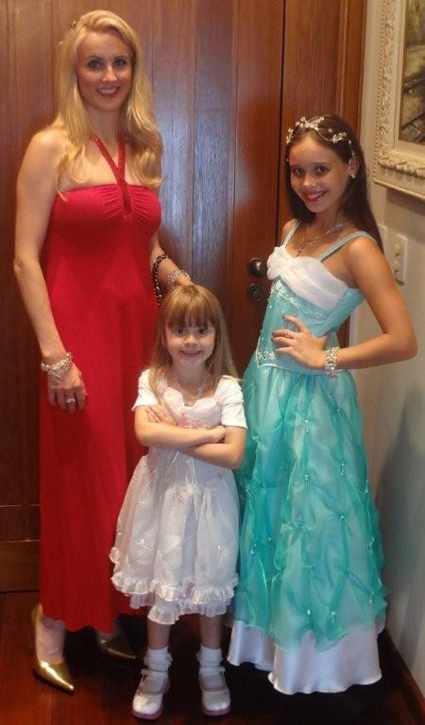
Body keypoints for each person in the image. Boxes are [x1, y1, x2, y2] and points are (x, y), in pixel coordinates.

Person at [14, 10, 190, 693]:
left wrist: (173, 274)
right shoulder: (50, 147)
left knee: (128, 479)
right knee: (76, 481)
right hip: (76, 340)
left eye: (120, 62)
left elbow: (141, 245)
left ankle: (108, 611)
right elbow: (25, 260)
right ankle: (54, 621)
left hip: (137, 338)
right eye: (95, 63)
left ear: (133, 69)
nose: (109, 75)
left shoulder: (143, 146)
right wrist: (54, 355)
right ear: (75, 71)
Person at [228, 114, 417, 695]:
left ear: (351, 167)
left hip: (311, 407)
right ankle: (260, 643)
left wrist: (325, 356)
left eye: (321, 170)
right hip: (264, 391)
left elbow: (403, 340)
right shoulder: (295, 229)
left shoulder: (359, 248)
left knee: (307, 527)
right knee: (265, 515)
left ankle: (313, 663)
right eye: (298, 171)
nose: (308, 183)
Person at [110, 284, 247, 719]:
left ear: (216, 335)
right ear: (164, 335)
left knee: (210, 586)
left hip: (210, 505)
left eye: (201, 331)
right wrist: (207, 434)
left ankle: (211, 667)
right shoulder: (151, 381)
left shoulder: (228, 389)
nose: (190, 341)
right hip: (161, 499)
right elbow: (145, 433)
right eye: (180, 330)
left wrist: (175, 435)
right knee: (162, 585)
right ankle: (156, 669)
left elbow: (233, 454)